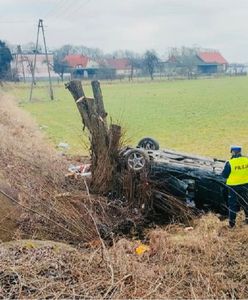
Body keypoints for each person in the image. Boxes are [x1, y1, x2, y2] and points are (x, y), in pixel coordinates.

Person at [222, 145, 248, 227]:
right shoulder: (246, 160)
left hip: (233, 187)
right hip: (245, 184)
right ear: (240, 152)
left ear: (233, 152)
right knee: (245, 202)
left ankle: (232, 225)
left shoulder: (230, 163)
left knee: (232, 204)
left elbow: (224, 175)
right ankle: (247, 220)